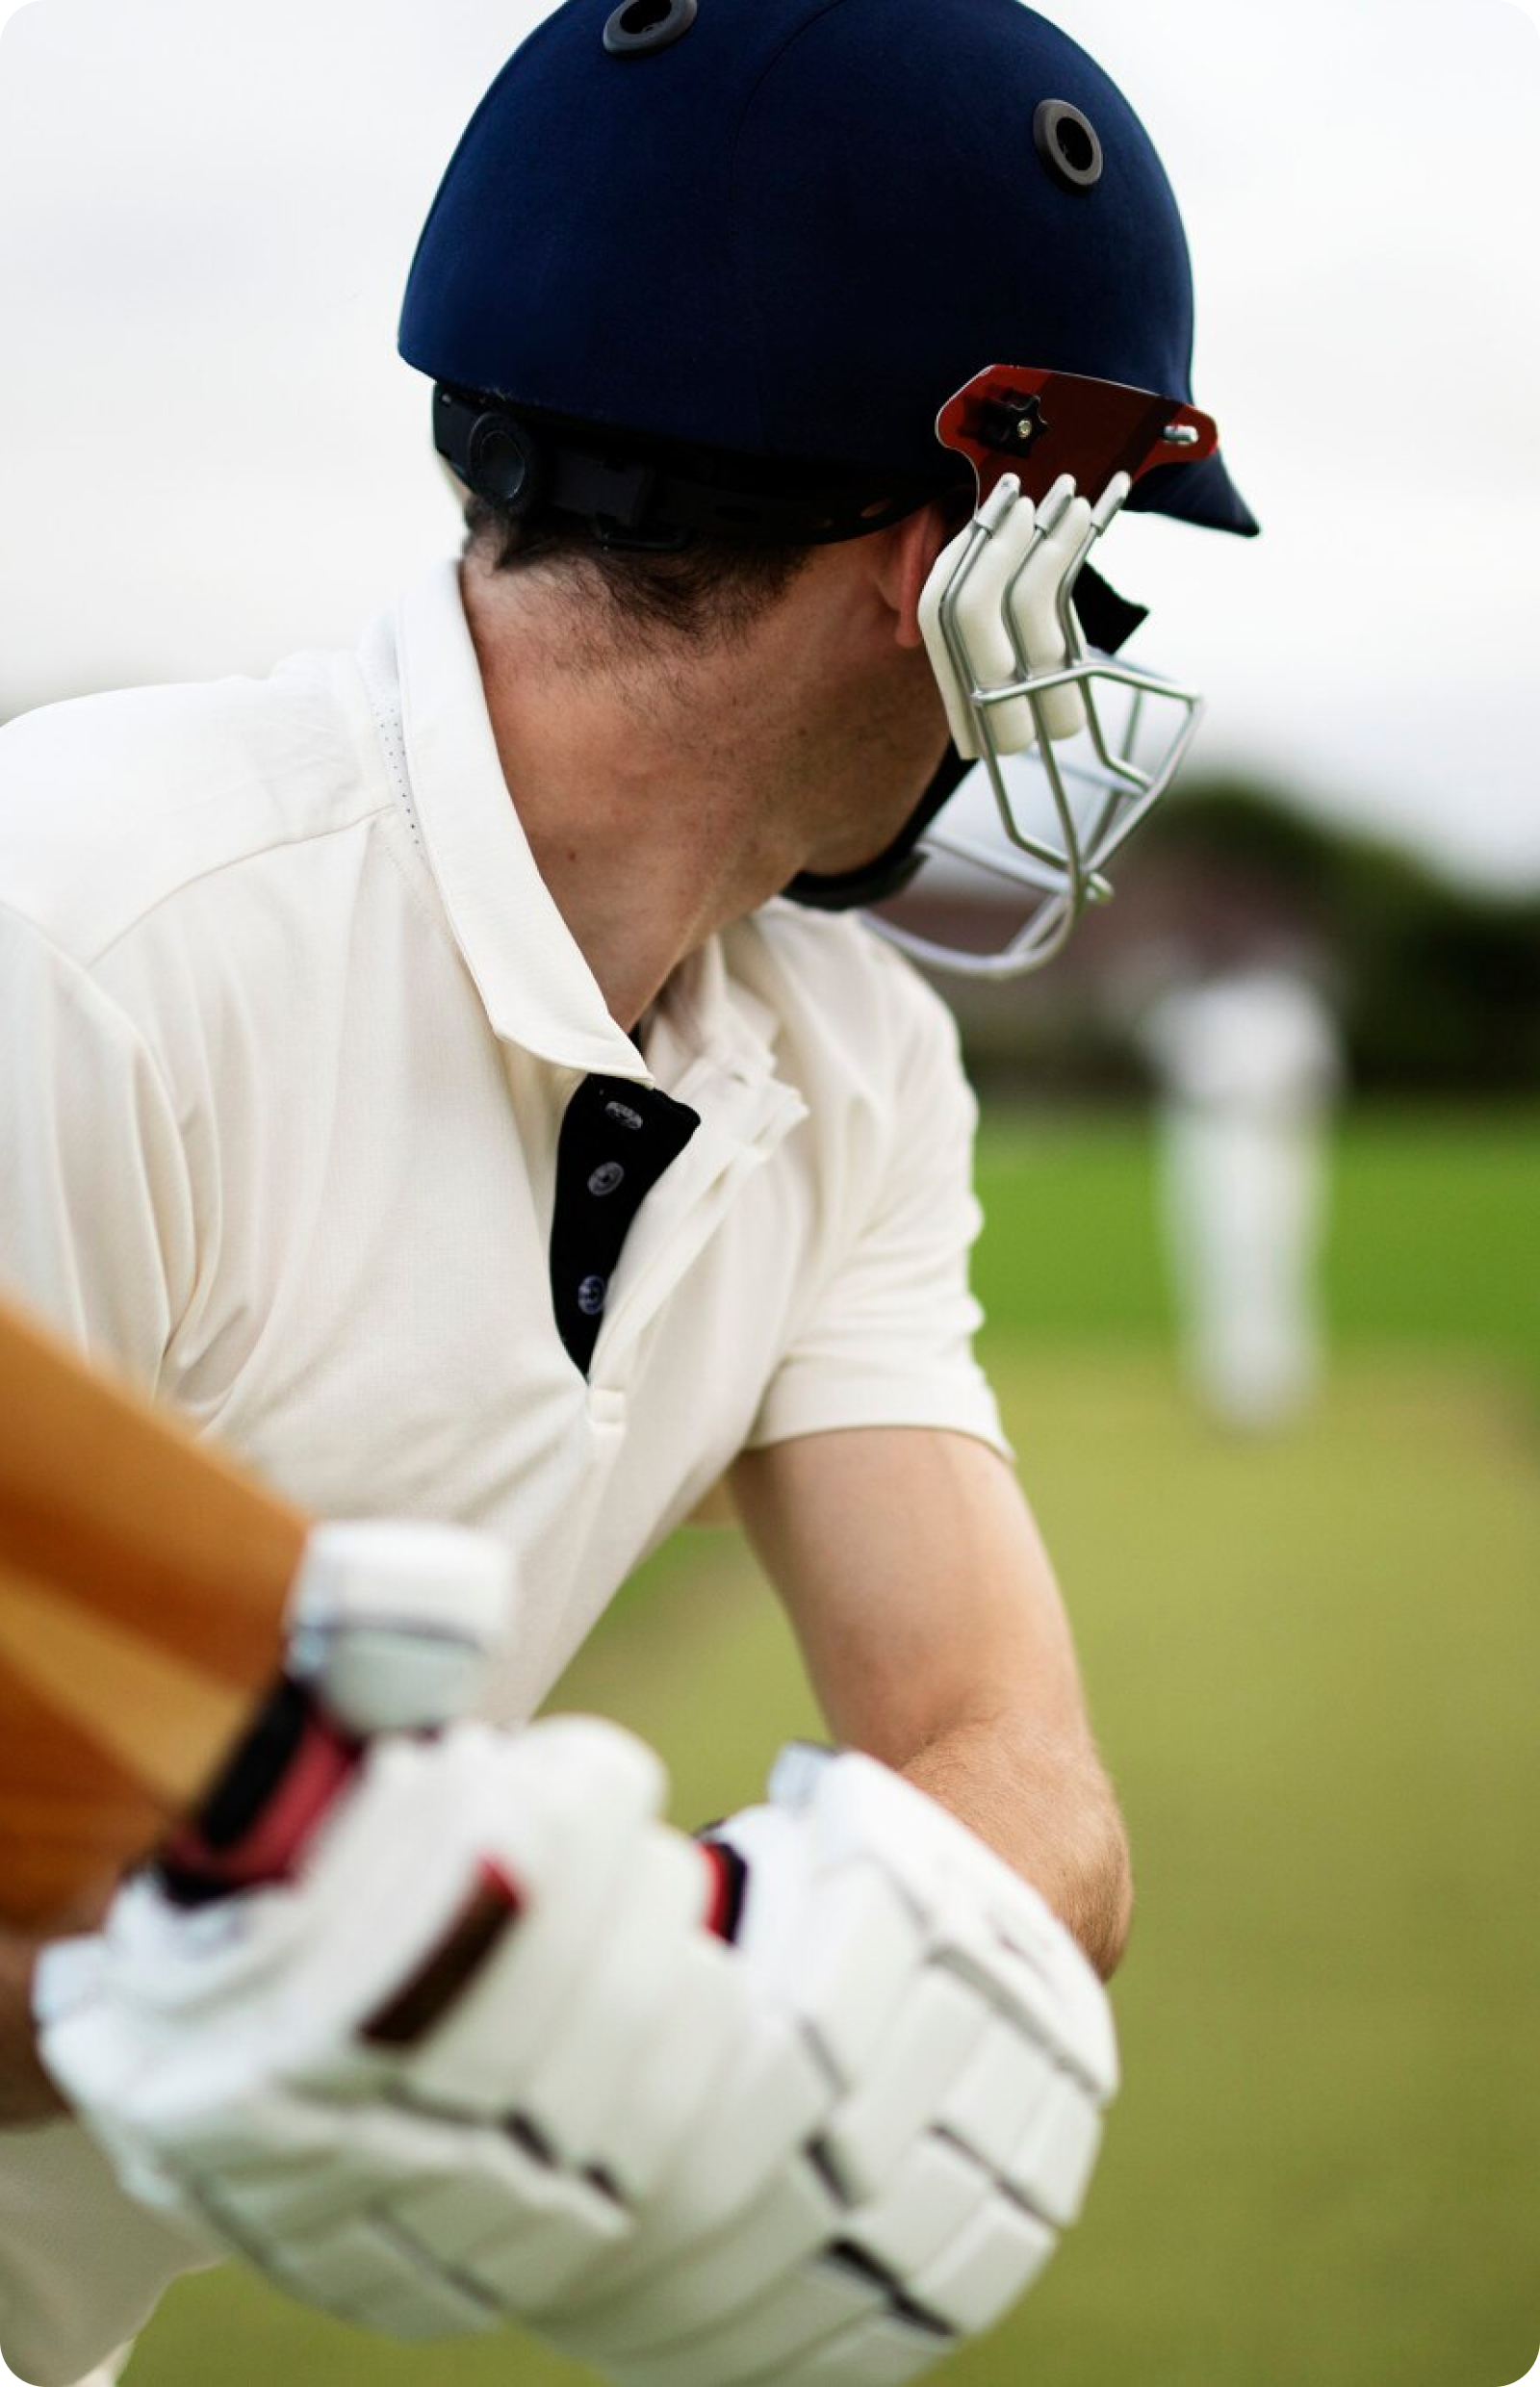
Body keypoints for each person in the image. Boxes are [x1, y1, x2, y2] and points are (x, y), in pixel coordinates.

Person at [0, 2, 1256, 2381]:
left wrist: (663, 1963)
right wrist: (443, 1973)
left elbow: (1005, 1760)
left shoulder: (848, 1054)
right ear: (948, 557)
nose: (1074, 661)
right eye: (1085, 574)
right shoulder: (76, 940)